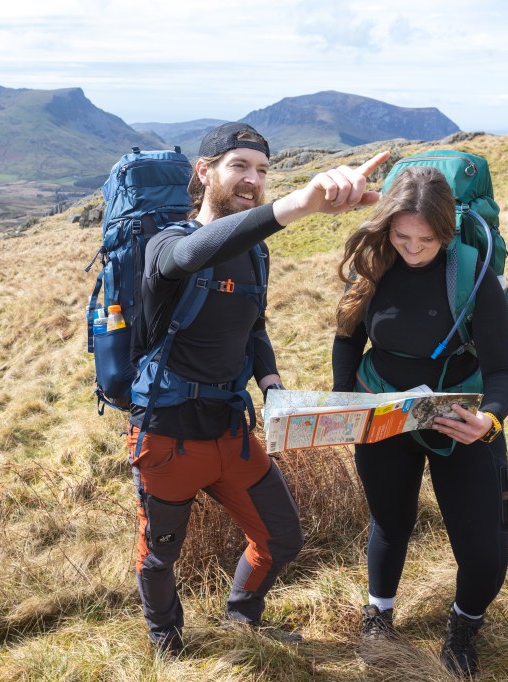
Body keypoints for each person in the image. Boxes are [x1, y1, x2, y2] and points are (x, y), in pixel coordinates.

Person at [128, 121, 389, 656]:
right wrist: (298, 205)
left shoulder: (255, 253)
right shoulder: (166, 245)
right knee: (161, 552)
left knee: (280, 537)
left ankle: (241, 620)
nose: (253, 179)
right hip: (168, 435)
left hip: (231, 429)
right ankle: (167, 645)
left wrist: (271, 384)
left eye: (263, 170)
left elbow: (254, 328)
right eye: (239, 166)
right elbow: (190, 257)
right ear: (205, 172)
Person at [331, 165, 508, 676]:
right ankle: (380, 615)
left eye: (426, 239)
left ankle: (463, 626)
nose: (412, 249)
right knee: (390, 523)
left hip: (458, 421)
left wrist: (489, 421)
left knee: (485, 551)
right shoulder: (371, 265)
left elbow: (504, 372)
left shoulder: (474, 276)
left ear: (447, 232)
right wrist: (344, 402)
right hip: (383, 414)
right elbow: (348, 338)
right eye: (401, 235)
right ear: (387, 224)